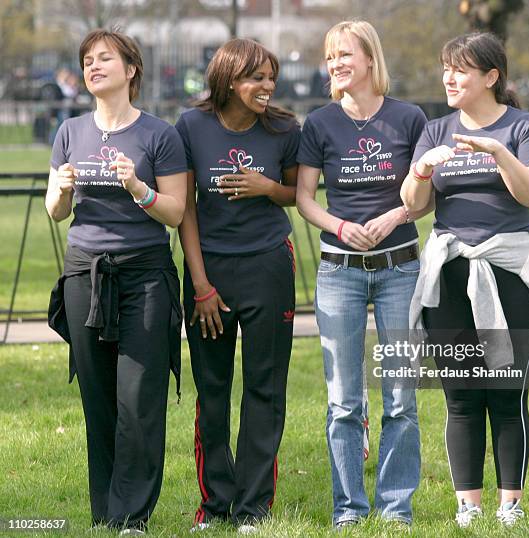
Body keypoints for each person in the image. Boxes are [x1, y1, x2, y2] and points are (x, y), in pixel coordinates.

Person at [401, 32, 529, 528]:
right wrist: (420, 169)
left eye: (459, 69)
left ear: (490, 77)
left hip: (510, 274)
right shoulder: (436, 129)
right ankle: (468, 506)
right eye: (445, 68)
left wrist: (497, 153)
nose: (448, 78)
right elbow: (414, 205)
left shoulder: (523, 127)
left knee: (505, 392)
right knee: (460, 394)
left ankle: (509, 507)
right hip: (450, 275)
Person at [46, 29, 187, 536]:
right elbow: (56, 211)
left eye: (105, 58)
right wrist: (61, 192)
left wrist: (137, 187)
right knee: (99, 397)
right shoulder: (70, 131)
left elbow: (174, 212)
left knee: (139, 397)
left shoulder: (159, 135)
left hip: (145, 274)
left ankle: (132, 516)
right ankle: (105, 510)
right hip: (85, 272)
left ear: (131, 70)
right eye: (87, 60)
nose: (94, 66)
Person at [296, 20, 429, 529]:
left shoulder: (409, 118)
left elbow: (425, 194)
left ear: (370, 58)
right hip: (340, 272)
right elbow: (306, 198)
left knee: (400, 396)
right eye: (330, 57)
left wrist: (395, 216)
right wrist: (341, 226)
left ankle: (396, 510)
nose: (335, 64)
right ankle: (348, 510)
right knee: (343, 401)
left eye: (344, 54)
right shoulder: (320, 124)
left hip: (400, 270)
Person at [175, 38, 300, 534]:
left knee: (265, 388)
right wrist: (201, 283)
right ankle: (215, 504)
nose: (267, 86)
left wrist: (268, 189)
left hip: (269, 265)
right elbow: (184, 207)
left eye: (271, 77)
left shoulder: (285, 129)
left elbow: (300, 193)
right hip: (210, 272)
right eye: (257, 78)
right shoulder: (192, 126)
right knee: (213, 390)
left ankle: (253, 508)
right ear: (229, 79)